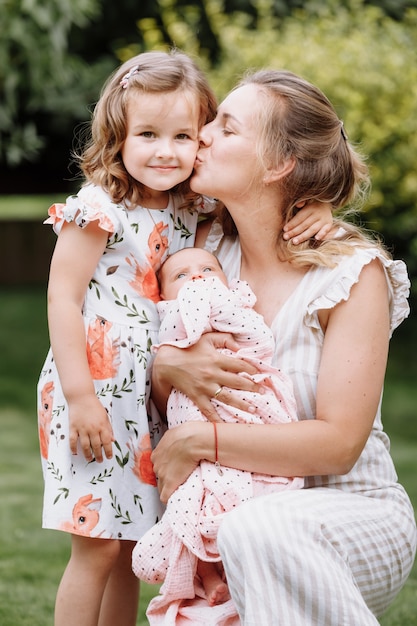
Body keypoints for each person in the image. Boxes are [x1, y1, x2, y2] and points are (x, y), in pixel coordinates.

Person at [36, 48, 332, 626]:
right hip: (93, 391)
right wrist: (80, 398)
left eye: (183, 135)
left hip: (147, 399)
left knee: (125, 545)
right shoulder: (100, 208)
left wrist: (318, 203)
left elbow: (271, 193)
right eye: (147, 134)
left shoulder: (190, 205)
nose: (165, 151)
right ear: (118, 136)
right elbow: (61, 299)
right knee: (94, 544)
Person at [150, 69, 417, 625]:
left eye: (227, 128)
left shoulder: (350, 273)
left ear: (277, 165)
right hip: (233, 509)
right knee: (236, 546)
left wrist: (201, 440)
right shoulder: (200, 256)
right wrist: (167, 363)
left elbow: (339, 444)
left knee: (258, 527)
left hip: (351, 513)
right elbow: (164, 393)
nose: (201, 135)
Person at [132, 247, 304, 623]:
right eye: (181, 276)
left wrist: (219, 301)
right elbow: (173, 348)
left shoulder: (238, 307)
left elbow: (259, 342)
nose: (196, 278)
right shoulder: (168, 318)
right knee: (187, 500)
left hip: (238, 415)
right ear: (162, 296)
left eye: (208, 269)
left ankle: (225, 569)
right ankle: (207, 576)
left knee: (228, 496)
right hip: (189, 424)